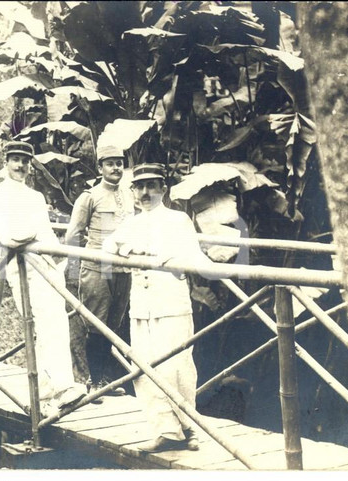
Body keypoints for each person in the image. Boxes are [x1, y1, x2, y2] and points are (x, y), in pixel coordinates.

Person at [103, 163, 211, 453]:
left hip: (170, 302)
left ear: (163, 189)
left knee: (178, 368)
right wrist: (130, 251)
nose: (146, 192)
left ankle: (190, 428)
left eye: (152, 186)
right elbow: (108, 246)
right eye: (139, 187)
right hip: (142, 306)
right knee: (145, 368)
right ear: (133, 192)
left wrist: (155, 256)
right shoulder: (132, 222)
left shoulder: (178, 220)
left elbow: (190, 255)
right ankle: (166, 430)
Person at [0, 141, 86, 413]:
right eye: (15, 159)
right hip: (23, 269)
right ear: (5, 162)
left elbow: (45, 234)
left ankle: (51, 387)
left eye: (25, 161)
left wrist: (56, 257)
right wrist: (33, 235)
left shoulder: (36, 197)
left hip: (46, 267)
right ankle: (60, 386)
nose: (20, 166)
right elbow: (10, 236)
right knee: (44, 325)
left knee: (54, 326)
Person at [64, 145, 134, 400]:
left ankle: (104, 379)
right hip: (96, 268)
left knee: (114, 325)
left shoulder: (129, 195)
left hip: (123, 269)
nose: (116, 168)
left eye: (119, 163)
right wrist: (73, 271)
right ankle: (92, 382)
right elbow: (73, 235)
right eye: (110, 163)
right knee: (96, 325)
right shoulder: (89, 196)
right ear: (100, 167)